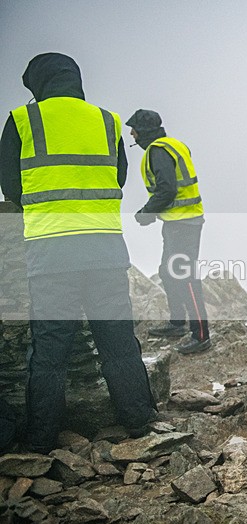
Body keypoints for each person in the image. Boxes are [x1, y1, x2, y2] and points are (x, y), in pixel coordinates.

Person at [0, 52, 156, 453]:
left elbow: (12, 188)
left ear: (39, 81)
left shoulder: (23, 120)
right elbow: (118, 177)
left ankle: (41, 440)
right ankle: (140, 422)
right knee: (118, 340)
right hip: (104, 247)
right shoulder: (107, 121)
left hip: (51, 252)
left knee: (50, 351)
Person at [125, 109, 211, 354]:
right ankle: (177, 322)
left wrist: (146, 212)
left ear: (144, 130)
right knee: (168, 271)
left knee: (185, 278)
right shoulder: (174, 144)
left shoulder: (158, 151)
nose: (132, 134)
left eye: (134, 129)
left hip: (183, 223)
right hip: (180, 221)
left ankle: (201, 335)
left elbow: (167, 190)